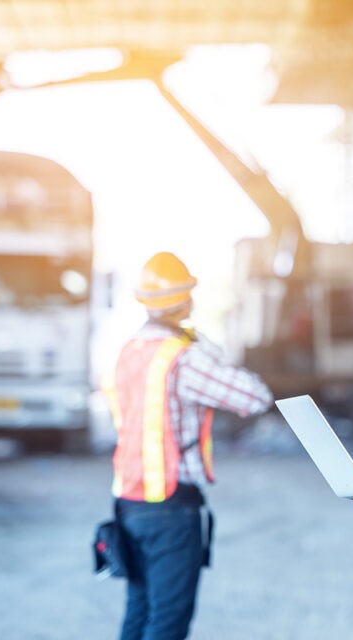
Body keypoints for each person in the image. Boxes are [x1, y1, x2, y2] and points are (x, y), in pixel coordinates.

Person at [102, 251, 273, 640]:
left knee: (139, 611)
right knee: (167, 622)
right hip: (171, 506)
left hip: (128, 498)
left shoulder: (129, 352)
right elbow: (255, 396)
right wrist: (207, 347)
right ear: (186, 300)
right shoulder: (184, 357)